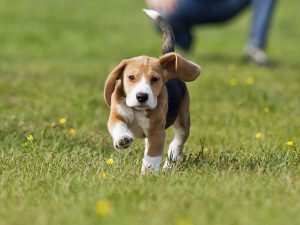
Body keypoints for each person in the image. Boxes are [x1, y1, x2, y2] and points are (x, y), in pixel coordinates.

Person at [146, 0, 277, 66]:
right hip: (192, 5)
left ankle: (255, 49)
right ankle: (183, 46)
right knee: (160, 16)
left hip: (227, 4)